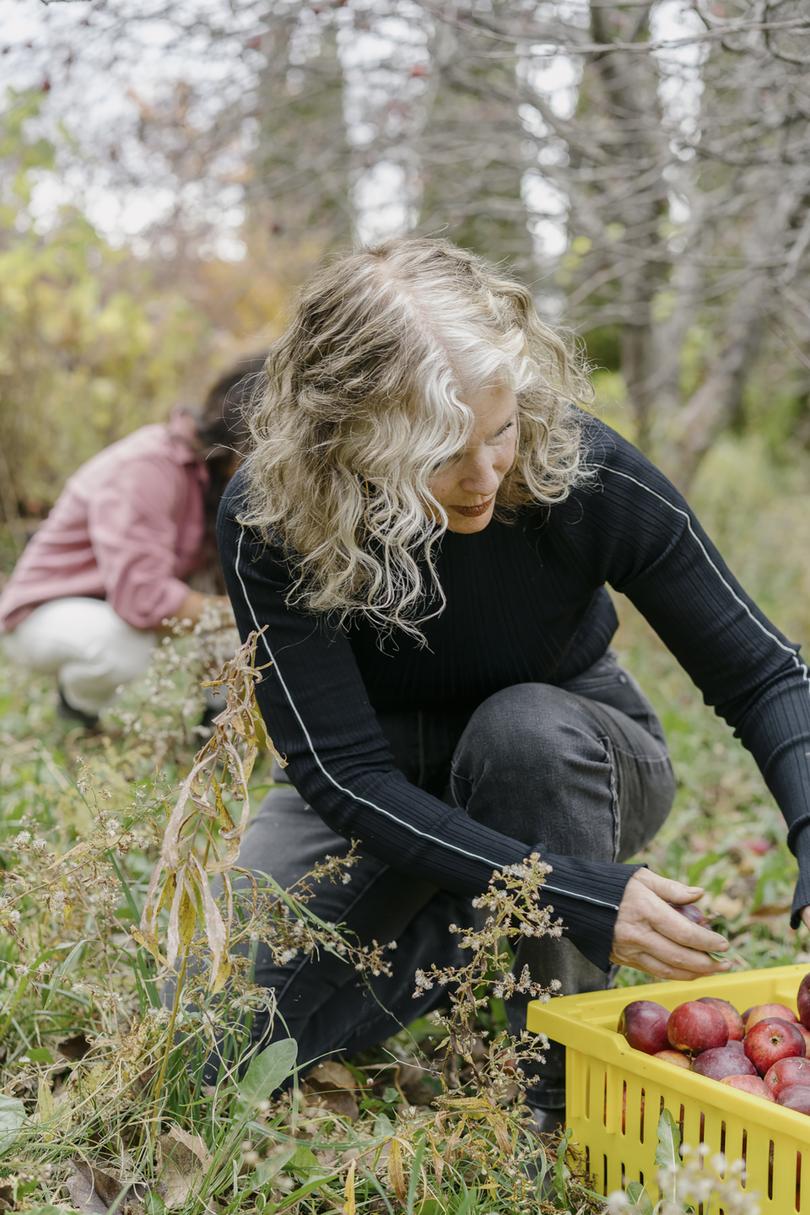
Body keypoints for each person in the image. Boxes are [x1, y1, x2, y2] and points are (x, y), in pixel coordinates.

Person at [215, 238, 810, 1128]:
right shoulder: (273, 516)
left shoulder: (586, 468)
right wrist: (569, 889)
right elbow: (343, 775)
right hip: (379, 777)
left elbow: (765, 672)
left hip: (570, 745)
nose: (486, 475)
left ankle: (557, 1090)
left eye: (500, 431)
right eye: (444, 453)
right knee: (229, 1034)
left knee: (524, 733)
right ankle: (466, 909)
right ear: (349, 441)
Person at [0, 354, 265, 726]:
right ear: (242, 433)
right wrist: (244, 612)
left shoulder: (213, 479)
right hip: (44, 613)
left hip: (116, 606)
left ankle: (217, 725)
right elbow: (143, 601)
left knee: (240, 616)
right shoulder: (147, 466)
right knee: (125, 645)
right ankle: (77, 707)